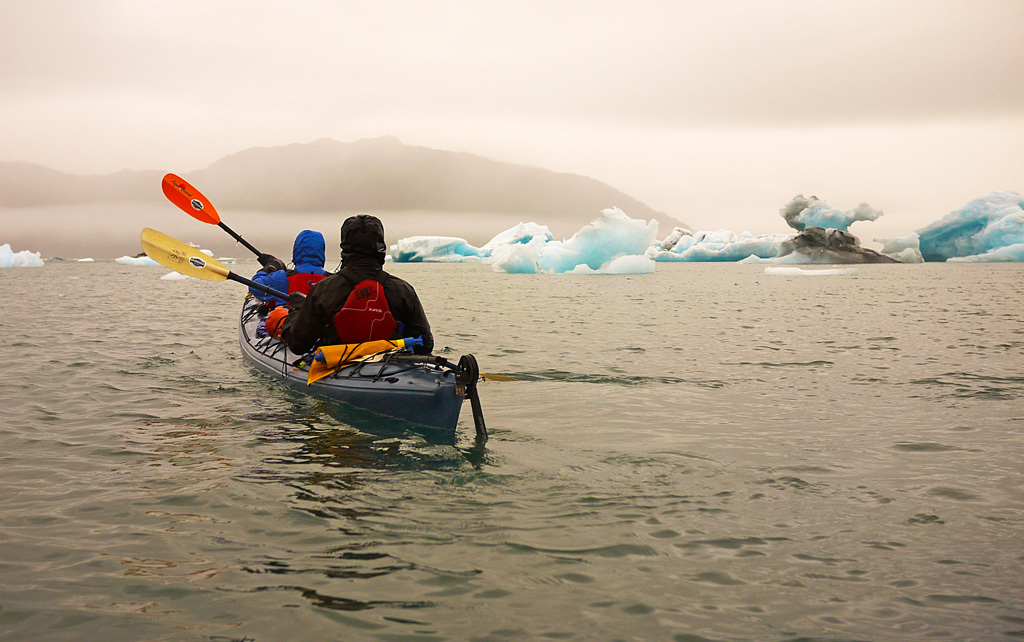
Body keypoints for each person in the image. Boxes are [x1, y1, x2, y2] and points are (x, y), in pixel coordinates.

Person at [279, 215, 434, 355]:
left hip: (335, 369)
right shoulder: (404, 291)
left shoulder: (322, 291)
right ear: (380, 247)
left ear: (345, 248)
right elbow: (425, 345)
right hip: (390, 372)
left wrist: (297, 308)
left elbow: (298, 345)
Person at [249, 229, 330, 306]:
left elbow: (254, 287)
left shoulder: (282, 277)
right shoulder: (333, 281)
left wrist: (268, 269)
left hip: (290, 319)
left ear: (296, 250)